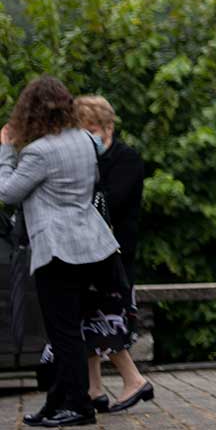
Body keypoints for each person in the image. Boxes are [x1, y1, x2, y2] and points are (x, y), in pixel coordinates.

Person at [1, 77, 122, 427]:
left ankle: (79, 406)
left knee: (62, 333)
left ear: (31, 111)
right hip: (88, 247)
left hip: (56, 251)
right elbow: (91, 176)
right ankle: (56, 402)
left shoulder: (39, 152)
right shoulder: (84, 140)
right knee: (67, 330)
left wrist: (6, 151)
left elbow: (7, 193)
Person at [71, 96, 150, 415]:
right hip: (89, 252)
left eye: (91, 130)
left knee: (105, 318)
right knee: (87, 318)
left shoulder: (126, 159)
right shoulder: (86, 159)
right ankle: (94, 388)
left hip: (114, 254)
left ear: (108, 128)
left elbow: (110, 202)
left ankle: (134, 380)